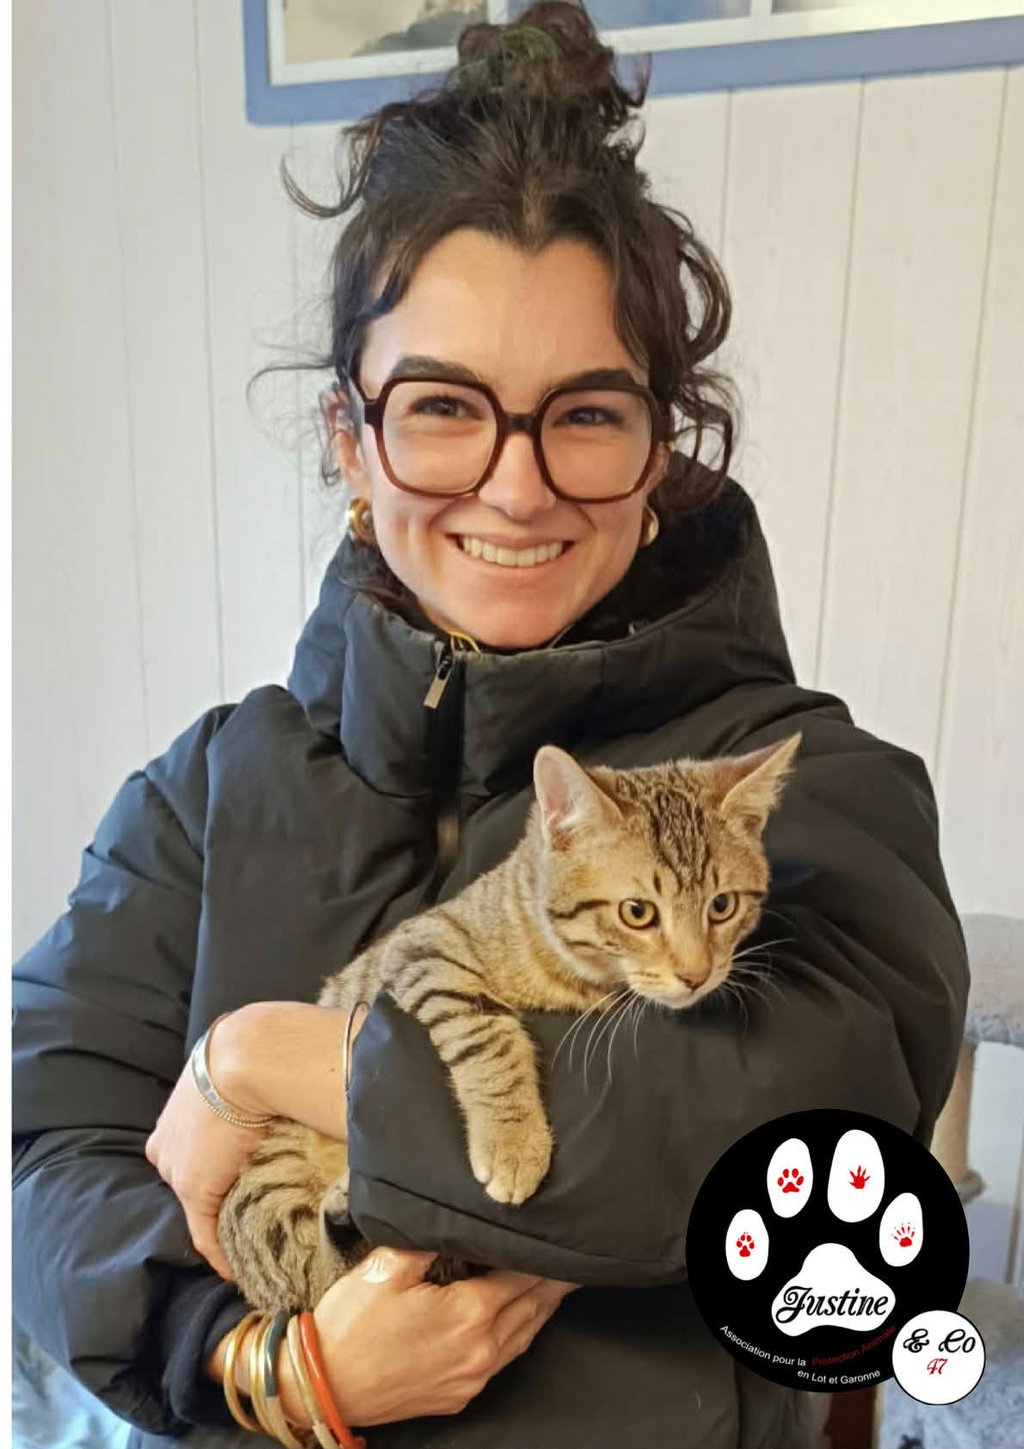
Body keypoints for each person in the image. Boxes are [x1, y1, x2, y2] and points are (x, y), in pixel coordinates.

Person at [11, 4, 968, 1448]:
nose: (516, 489)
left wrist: (275, 1058)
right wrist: (273, 1369)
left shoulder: (824, 785)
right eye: (444, 406)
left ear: (659, 447)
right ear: (351, 440)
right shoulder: (208, 790)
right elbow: (48, 1142)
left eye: (584, 415)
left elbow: (786, 1135)